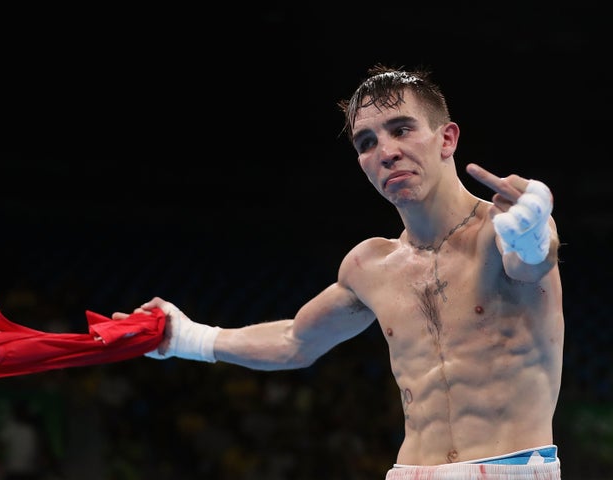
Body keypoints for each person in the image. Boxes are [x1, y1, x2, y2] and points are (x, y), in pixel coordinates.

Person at [116, 64, 564, 479]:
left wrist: (531, 232)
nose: (385, 152)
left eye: (401, 129)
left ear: (446, 139)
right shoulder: (370, 265)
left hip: (514, 468)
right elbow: (296, 340)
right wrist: (186, 337)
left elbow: (531, 262)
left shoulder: (503, 231)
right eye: (366, 143)